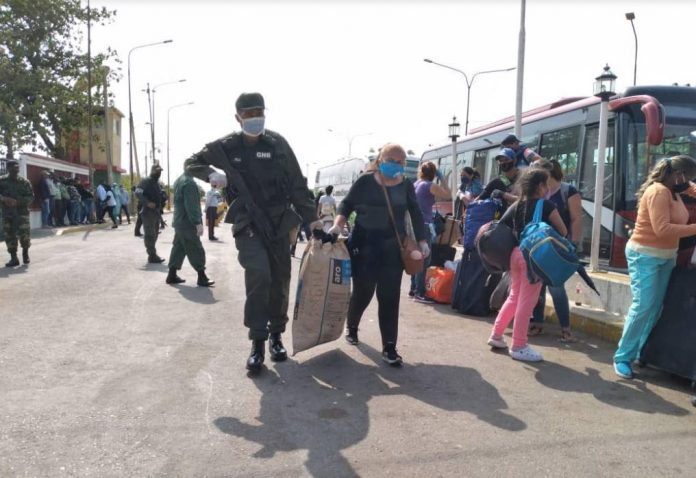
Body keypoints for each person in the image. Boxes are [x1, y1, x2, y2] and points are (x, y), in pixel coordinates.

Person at [183, 92, 322, 374]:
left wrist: (315, 222)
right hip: (248, 221)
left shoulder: (278, 144)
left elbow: (297, 184)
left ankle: (276, 336)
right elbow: (191, 162)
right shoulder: (226, 146)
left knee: (280, 279)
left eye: (259, 112)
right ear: (238, 118)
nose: (255, 118)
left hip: (280, 221)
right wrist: (210, 173)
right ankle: (257, 341)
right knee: (259, 274)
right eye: (248, 114)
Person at [328, 143, 428, 366]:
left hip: (392, 248)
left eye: (401, 162)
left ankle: (389, 347)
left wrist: (422, 240)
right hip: (364, 246)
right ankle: (352, 326)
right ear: (380, 160)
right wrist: (337, 226)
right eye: (392, 160)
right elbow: (346, 204)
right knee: (363, 292)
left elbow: (416, 213)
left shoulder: (406, 185)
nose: (396, 165)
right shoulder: (366, 181)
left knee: (390, 297)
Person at [613, 155, 696, 379]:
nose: (689, 181)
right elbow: (663, 229)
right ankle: (622, 356)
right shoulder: (659, 191)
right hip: (645, 255)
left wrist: (691, 188)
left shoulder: (675, 192)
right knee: (644, 305)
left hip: (666, 256)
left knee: (656, 306)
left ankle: (642, 350)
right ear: (677, 175)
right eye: (688, 176)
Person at [487, 168, 567, 362]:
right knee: (527, 301)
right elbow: (563, 231)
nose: (548, 188)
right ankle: (519, 345)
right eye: (546, 184)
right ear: (540, 186)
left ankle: (497, 335)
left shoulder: (517, 205)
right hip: (533, 257)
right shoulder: (546, 206)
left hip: (515, 255)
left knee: (514, 296)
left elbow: (501, 226)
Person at [528, 159, 583, 342]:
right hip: (539, 246)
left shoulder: (568, 191)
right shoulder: (538, 192)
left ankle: (565, 328)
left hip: (558, 248)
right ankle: (537, 322)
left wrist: (573, 243)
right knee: (538, 287)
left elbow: (576, 219)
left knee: (556, 287)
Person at [411, 161, 451, 304]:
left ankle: (413, 288)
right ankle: (419, 292)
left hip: (414, 224)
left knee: (416, 256)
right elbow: (448, 195)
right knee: (424, 259)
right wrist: (443, 178)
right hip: (425, 225)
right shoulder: (429, 185)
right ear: (433, 173)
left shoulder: (416, 184)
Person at [166, 171, 215, 287]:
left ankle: (171, 275)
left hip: (179, 221)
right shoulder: (189, 183)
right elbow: (191, 205)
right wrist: (197, 222)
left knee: (178, 247)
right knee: (195, 248)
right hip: (187, 223)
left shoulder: (179, 180)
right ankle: (201, 276)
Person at [0, 160, 34, 266]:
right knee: (9, 235)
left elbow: (31, 197)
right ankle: (13, 258)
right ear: (8, 168)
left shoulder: (25, 182)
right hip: (7, 212)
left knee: (25, 234)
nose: (16, 169)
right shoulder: (2, 181)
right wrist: (4, 199)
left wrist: (18, 202)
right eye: (14, 167)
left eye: (17, 167)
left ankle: (25, 254)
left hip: (22, 212)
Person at [136, 164, 166, 263]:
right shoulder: (146, 181)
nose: (159, 173)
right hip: (147, 212)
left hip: (156, 212)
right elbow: (138, 192)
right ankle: (152, 255)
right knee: (150, 234)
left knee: (155, 233)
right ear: (152, 171)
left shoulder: (156, 183)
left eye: (160, 171)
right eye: (157, 171)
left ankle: (152, 253)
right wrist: (147, 203)